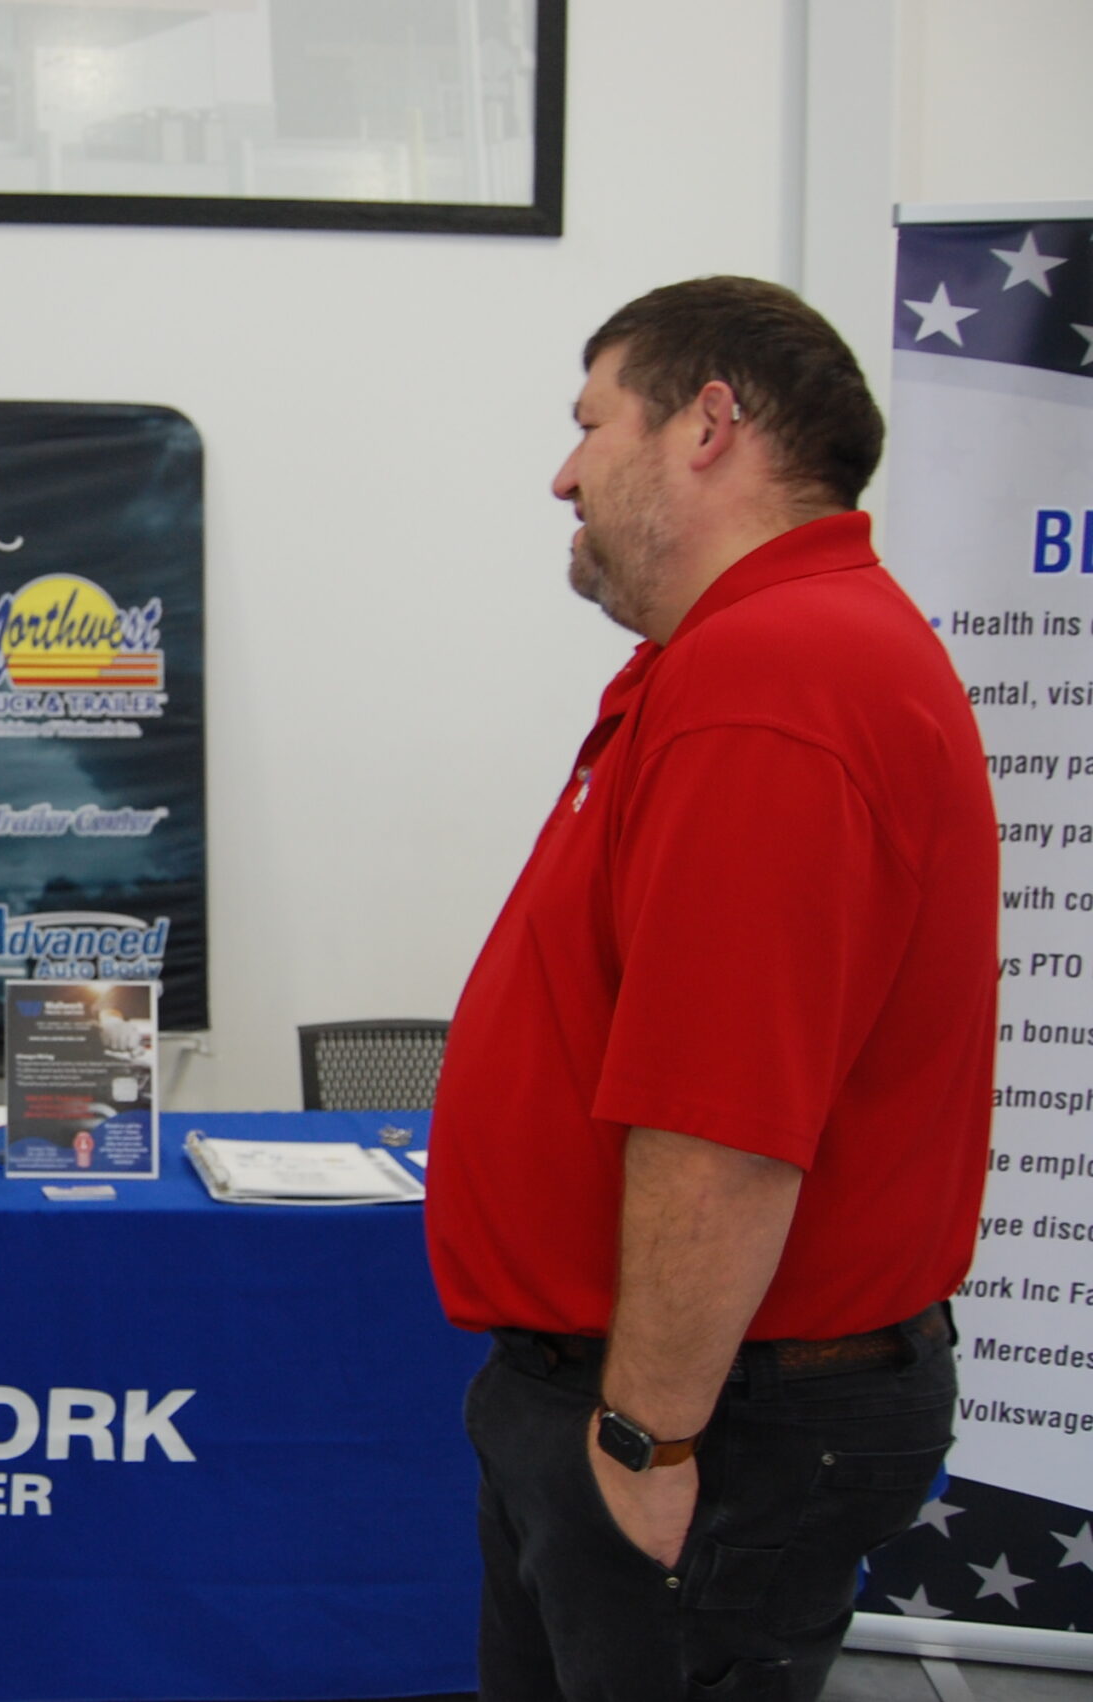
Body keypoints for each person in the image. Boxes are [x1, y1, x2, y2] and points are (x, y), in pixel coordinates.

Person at [426, 278, 997, 1702]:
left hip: (706, 1412)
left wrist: (646, 1436)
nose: (562, 472)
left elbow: (727, 1120)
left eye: (589, 422)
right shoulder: (732, 661)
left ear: (709, 422)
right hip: (668, 1393)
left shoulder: (777, 677)